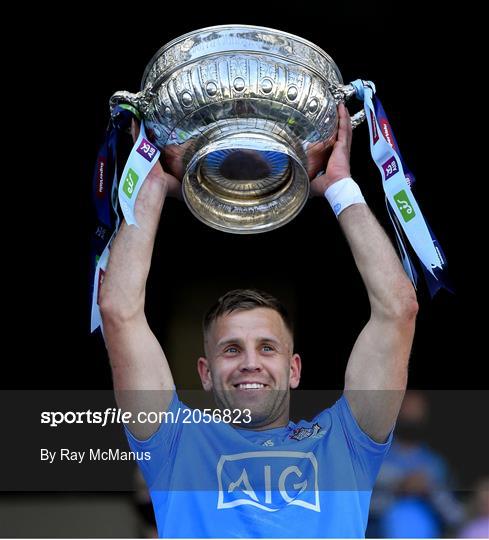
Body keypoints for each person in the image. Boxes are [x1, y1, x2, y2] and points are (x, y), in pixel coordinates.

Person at [99, 103, 419, 538]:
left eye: (267, 347)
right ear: (206, 373)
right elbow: (119, 311)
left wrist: (342, 189)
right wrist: (151, 188)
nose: (250, 362)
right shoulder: (176, 445)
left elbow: (398, 310)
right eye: (232, 349)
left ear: (293, 369)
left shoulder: (344, 444)